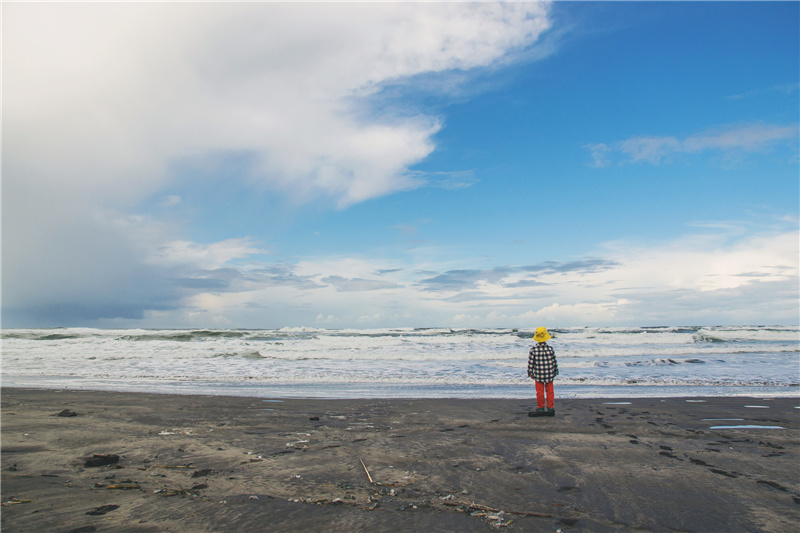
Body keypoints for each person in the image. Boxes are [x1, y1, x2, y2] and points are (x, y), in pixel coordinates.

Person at [527, 326, 558, 417]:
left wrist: (530, 372)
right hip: (549, 374)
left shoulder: (533, 350)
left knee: (540, 392)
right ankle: (550, 408)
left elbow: (531, 363)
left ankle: (540, 408)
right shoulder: (550, 349)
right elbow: (554, 361)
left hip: (538, 374)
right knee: (550, 391)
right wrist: (555, 371)